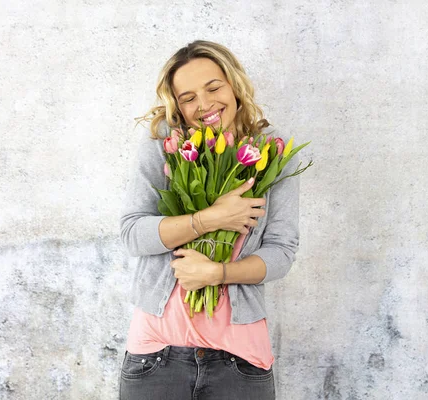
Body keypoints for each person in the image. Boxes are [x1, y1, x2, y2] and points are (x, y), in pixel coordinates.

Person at [118, 40, 300, 399]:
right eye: (187, 98)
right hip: (156, 355)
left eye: (213, 87)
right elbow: (132, 233)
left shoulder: (272, 150)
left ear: (233, 83)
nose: (204, 104)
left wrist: (218, 273)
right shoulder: (163, 143)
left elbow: (281, 252)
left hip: (240, 358)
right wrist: (209, 218)